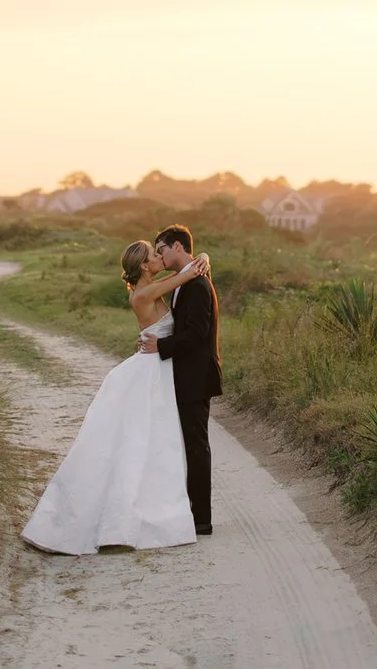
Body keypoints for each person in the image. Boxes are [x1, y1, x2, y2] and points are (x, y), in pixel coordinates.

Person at [20, 237, 214, 554]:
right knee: (138, 443)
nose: (159, 258)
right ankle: (122, 518)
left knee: (152, 444)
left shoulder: (154, 284)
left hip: (159, 370)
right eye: (154, 255)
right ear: (143, 265)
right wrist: (200, 260)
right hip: (149, 372)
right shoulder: (144, 293)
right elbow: (186, 275)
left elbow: (187, 270)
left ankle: (147, 508)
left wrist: (203, 255)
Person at [138, 223, 220, 536]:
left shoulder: (197, 284)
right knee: (189, 446)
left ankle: (201, 519)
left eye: (161, 250)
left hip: (196, 377)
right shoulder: (187, 279)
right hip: (185, 375)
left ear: (176, 246)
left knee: (197, 447)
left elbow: (197, 334)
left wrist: (162, 345)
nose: (159, 256)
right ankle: (193, 513)